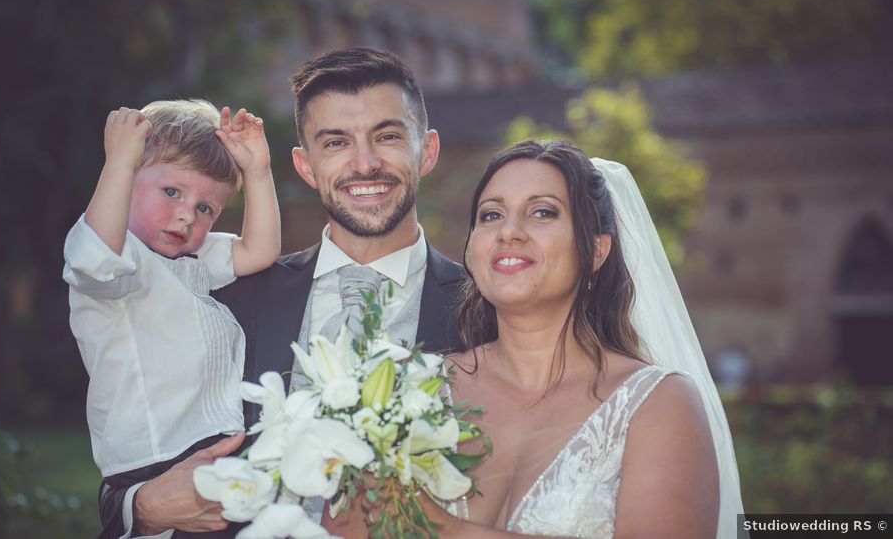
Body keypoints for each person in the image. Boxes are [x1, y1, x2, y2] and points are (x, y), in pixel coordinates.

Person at [97, 48, 467, 538]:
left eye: (388, 136)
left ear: (429, 151)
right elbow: (133, 439)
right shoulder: (226, 299)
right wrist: (142, 508)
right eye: (335, 142)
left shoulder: (486, 310)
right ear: (306, 165)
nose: (365, 162)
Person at [326, 140, 744, 538]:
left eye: (542, 213)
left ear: (597, 251)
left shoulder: (657, 403)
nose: (509, 231)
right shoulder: (403, 390)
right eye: (490, 215)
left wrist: (444, 531)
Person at [63, 99, 280, 534]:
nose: (186, 214)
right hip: (155, 463)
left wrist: (257, 172)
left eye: (206, 208)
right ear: (126, 181)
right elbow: (97, 258)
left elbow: (258, 251)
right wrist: (119, 165)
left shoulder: (190, 259)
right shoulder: (120, 262)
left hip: (209, 450)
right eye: (171, 192)